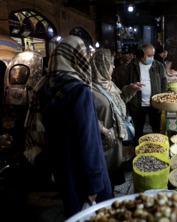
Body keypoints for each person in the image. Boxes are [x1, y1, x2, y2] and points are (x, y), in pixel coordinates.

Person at [24, 36, 113, 218]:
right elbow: (88, 141)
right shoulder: (79, 91)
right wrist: (93, 184)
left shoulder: (43, 86)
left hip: (62, 167)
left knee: (73, 212)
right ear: (76, 59)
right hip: (83, 171)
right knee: (98, 214)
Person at [90, 49, 143, 190]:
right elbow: (87, 117)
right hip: (103, 140)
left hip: (114, 138)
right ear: (101, 65)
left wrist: (131, 89)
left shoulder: (109, 84)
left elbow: (119, 100)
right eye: (111, 63)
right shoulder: (90, 89)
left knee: (112, 174)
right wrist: (103, 129)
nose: (113, 66)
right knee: (104, 175)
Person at [127, 44, 168, 146]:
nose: (151, 58)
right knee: (138, 132)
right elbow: (126, 84)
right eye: (149, 55)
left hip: (154, 104)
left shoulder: (159, 66)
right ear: (141, 54)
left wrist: (160, 97)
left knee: (156, 130)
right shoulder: (132, 67)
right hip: (137, 104)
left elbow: (164, 83)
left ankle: (158, 150)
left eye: (152, 55)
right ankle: (138, 152)